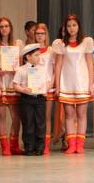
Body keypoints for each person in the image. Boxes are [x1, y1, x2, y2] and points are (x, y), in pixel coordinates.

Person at [52, 14, 94, 154]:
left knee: (81, 114)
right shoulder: (60, 44)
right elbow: (58, 65)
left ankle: (80, 144)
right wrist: (58, 85)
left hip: (82, 82)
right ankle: (71, 144)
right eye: (69, 26)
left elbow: (90, 63)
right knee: (69, 114)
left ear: (78, 26)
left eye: (74, 25)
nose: (71, 28)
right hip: (67, 82)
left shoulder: (86, 42)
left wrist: (91, 84)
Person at [0, 17, 24, 155]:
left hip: (13, 83)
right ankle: (5, 147)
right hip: (1, 84)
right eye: (1, 27)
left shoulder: (17, 44)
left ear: (10, 28)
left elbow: (22, 65)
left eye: (6, 26)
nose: (4, 29)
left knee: (16, 117)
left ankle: (14, 145)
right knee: (1, 117)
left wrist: (16, 70)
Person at [13, 43, 48, 156]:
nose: (39, 57)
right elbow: (15, 85)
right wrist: (23, 90)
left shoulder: (42, 69)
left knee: (40, 123)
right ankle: (29, 147)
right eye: (36, 55)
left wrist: (44, 89)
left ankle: (40, 147)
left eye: (39, 55)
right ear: (28, 57)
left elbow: (47, 82)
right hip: (26, 99)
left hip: (39, 98)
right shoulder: (21, 70)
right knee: (28, 122)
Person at [34, 23, 56, 154]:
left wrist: (51, 84)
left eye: (42, 33)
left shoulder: (51, 50)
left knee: (46, 117)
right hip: (34, 87)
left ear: (46, 35)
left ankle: (46, 145)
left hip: (47, 87)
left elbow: (54, 69)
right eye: (37, 33)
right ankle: (36, 143)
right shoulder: (31, 49)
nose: (40, 36)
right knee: (35, 117)